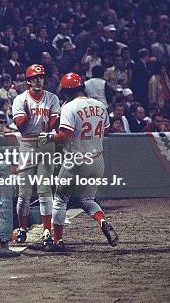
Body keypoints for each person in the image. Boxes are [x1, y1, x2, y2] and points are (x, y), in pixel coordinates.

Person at [40, 72, 118, 251]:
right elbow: (105, 130)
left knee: (60, 200)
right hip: (97, 161)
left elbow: (64, 135)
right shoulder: (100, 105)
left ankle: (58, 241)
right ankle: (102, 220)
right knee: (87, 198)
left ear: (67, 92)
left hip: (75, 161)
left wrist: (50, 136)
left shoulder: (69, 107)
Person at [11, 64, 60, 248]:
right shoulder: (20, 99)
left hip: (46, 143)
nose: (38, 80)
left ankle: (47, 230)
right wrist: (30, 116)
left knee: (45, 191)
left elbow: (54, 122)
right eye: (34, 77)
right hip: (27, 144)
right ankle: (22, 228)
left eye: (41, 77)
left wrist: (48, 123)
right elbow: (21, 126)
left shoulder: (52, 98)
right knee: (24, 193)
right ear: (28, 81)